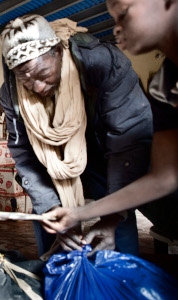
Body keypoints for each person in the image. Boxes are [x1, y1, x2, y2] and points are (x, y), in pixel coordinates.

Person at [0, 14, 154, 257]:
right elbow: (25, 156)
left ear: (58, 51)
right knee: (51, 223)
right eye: (25, 79)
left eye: (42, 73)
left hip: (108, 150)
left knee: (118, 220)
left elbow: (130, 140)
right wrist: (51, 209)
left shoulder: (104, 63)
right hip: (52, 161)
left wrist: (112, 216)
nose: (37, 88)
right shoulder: (11, 92)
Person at [42, 0, 178, 247]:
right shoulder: (164, 87)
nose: (116, 29)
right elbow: (165, 177)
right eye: (114, 19)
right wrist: (79, 214)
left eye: (123, 13)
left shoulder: (112, 71)